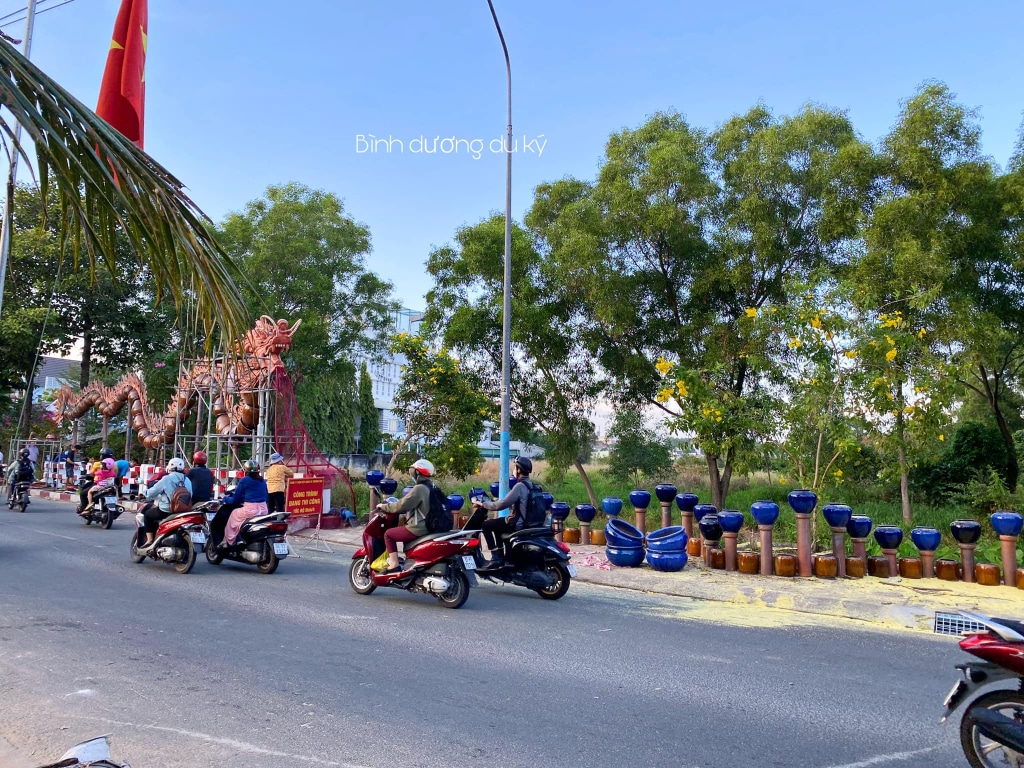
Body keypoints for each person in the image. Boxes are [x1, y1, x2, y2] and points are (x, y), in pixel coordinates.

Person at [375, 458, 436, 574]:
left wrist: (384, 507)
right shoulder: (433, 487)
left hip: (419, 528)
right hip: (431, 526)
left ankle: (394, 564)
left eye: (412, 471)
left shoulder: (419, 489)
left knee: (389, 534)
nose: (411, 474)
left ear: (417, 473)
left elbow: (401, 506)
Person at [473, 456, 536, 568]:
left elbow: (500, 505)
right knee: (498, 525)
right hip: (529, 523)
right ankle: (504, 557)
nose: (514, 470)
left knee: (486, 525)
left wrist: (483, 504)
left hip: (518, 523)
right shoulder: (533, 486)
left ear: (519, 470)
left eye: (515, 467)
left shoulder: (519, 486)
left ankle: (496, 556)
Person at [138, 457, 192, 551]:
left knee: (147, 515)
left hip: (167, 510)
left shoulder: (166, 479)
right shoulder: (187, 480)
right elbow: (191, 494)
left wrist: (144, 494)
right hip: (183, 510)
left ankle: (150, 540)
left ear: (169, 468)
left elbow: (152, 492)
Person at [220, 459, 269, 547]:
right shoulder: (263, 481)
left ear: (246, 470)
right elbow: (264, 495)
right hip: (264, 510)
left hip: (250, 510)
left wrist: (225, 499)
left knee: (234, 514)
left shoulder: (244, 480)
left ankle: (227, 540)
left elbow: (236, 500)